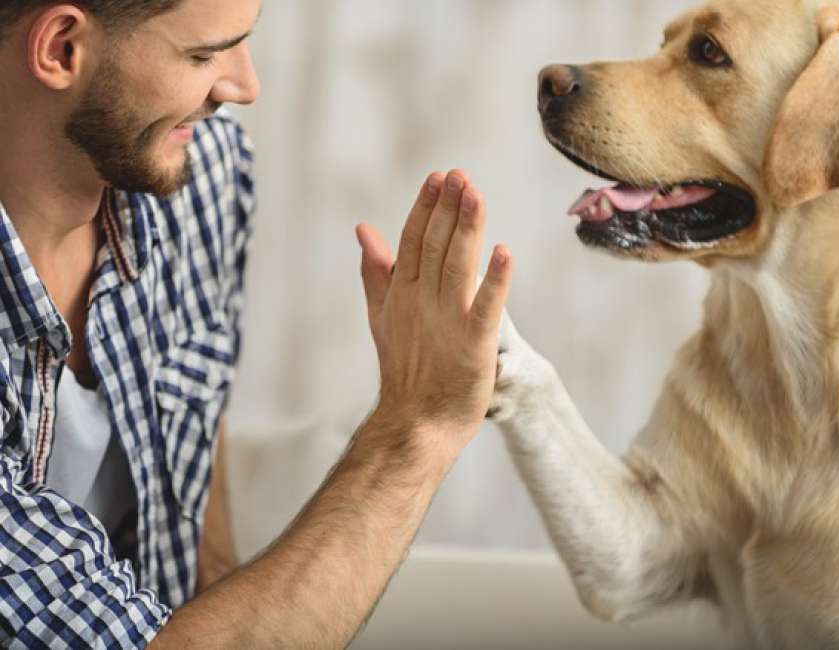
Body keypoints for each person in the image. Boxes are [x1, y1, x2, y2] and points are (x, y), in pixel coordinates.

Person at [0, 0, 513, 646]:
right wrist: (417, 429)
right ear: (61, 49)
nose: (245, 86)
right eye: (204, 55)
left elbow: (195, 505)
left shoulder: (198, 177)